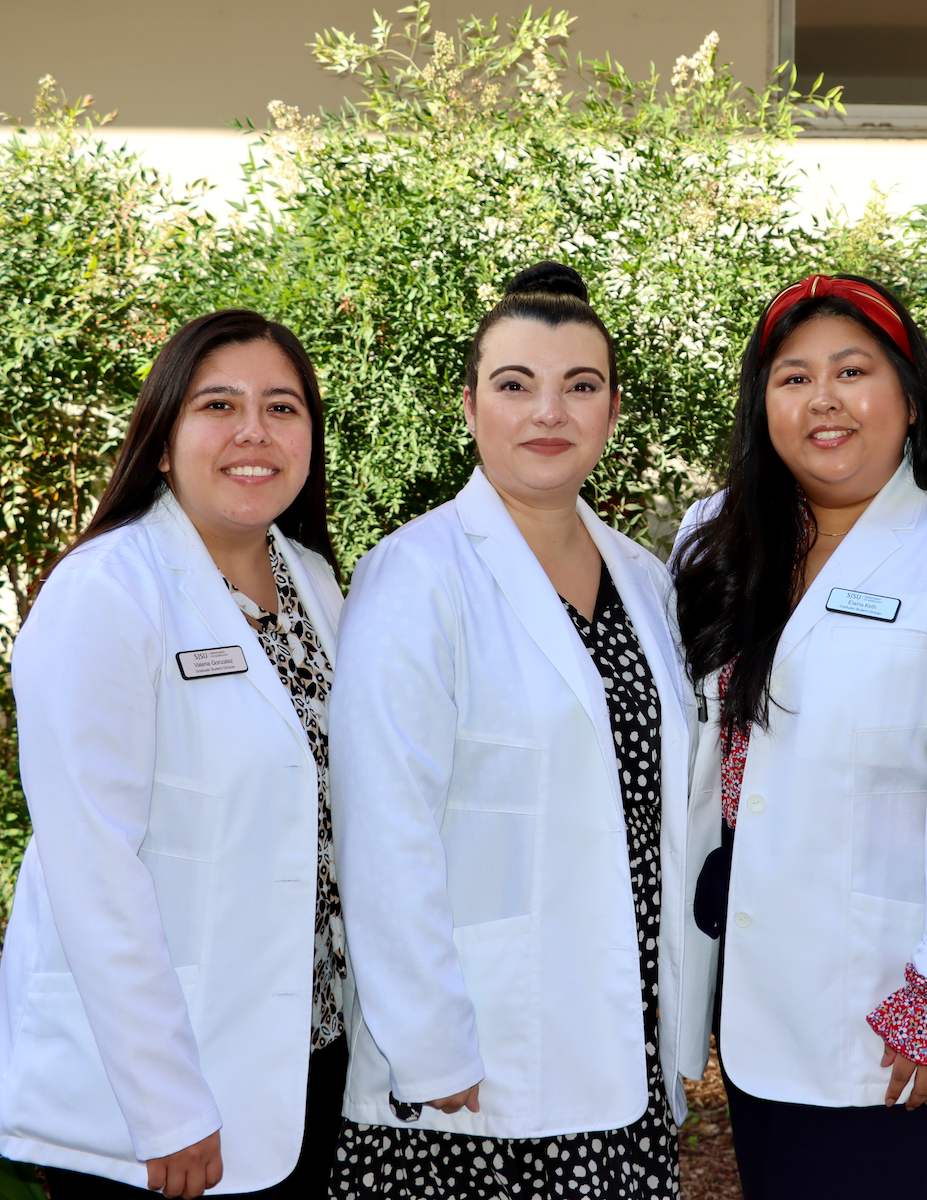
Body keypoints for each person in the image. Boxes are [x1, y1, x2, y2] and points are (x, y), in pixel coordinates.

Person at [670, 274, 927, 1200]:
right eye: (793, 377)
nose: (824, 401)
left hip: (893, 1006)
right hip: (753, 990)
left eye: (853, 370)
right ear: (762, 403)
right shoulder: (716, 536)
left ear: (911, 394)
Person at [326, 262, 698, 1199]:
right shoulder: (414, 574)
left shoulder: (644, 578)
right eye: (515, 385)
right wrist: (429, 1040)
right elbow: (383, 825)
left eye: (580, 387)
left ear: (612, 412)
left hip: (624, 1035)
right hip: (475, 1067)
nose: (550, 414)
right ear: (470, 406)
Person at [0, 310, 350, 1198]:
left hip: (309, 1054)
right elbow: (92, 868)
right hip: (162, 1097)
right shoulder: (104, 593)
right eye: (217, 405)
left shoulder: (313, 580)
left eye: (283, 407)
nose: (253, 432)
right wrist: (167, 1105)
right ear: (161, 440)